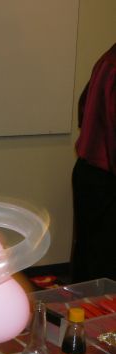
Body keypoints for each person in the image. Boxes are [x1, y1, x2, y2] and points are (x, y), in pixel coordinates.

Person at [71, 43, 116, 283]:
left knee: (88, 254)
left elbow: (83, 104)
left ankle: (81, 314)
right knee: (105, 264)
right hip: (107, 177)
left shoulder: (108, 57)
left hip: (88, 171)